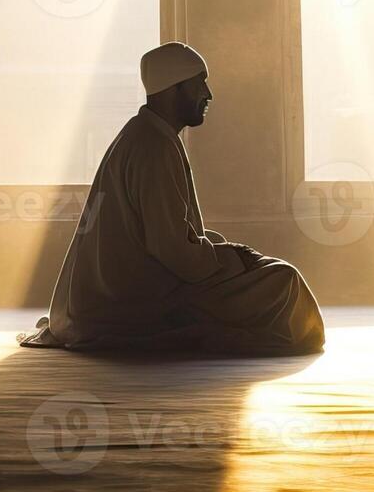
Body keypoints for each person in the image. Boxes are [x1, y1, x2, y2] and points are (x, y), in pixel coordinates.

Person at [20, 42, 326, 356]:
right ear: (173, 89)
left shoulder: (144, 134)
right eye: (199, 84)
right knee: (283, 283)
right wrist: (231, 259)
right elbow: (173, 251)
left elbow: (172, 238)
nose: (208, 94)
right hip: (134, 300)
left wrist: (224, 252)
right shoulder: (154, 146)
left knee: (265, 274)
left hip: (124, 290)